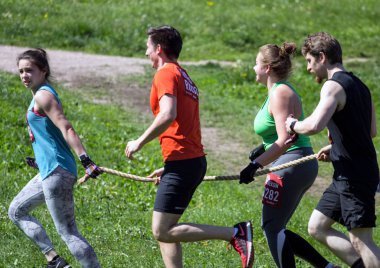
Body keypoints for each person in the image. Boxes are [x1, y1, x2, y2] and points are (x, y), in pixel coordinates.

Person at [125, 25, 253, 268]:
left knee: (162, 231)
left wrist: (139, 142)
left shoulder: (165, 73)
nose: (145, 53)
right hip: (186, 161)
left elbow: (168, 115)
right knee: (168, 229)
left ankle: (236, 233)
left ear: (159, 49)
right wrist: (170, 167)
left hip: (185, 162)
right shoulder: (184, 76)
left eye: (148, 48)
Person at [285, 32, 380, 268]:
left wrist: (293, 124)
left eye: (309, 61)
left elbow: (315, 125)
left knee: (361, 239)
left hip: (354, 174)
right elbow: (371, 132)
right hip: (347, 172)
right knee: (317, 226)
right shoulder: (360, 85)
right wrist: (335, 146)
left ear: (322, 57)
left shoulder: (333, 86)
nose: (308, 68)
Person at [239, 42, 338, 268]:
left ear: (267, 68)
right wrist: (262, 149)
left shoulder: (280, 92)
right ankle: (327, 267)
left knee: (271, 227)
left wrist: (255, 165)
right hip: (293, 163)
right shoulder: (277, 91)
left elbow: (286, 140)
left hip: (293, 163)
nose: (253, 68)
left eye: (256, 63)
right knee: (277, 227)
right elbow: (278, 136)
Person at [8, 48, 102, 268]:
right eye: (21, 71)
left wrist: (86, 160)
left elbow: (66, 127)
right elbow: (49, 137)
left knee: (68, 232)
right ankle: (55, 261)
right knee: (16, 210)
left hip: (57, 170)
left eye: (29, 70)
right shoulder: (38, 96)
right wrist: (41, 161)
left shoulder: (43, 95)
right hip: (49, 169)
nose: (24, 75)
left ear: (44, 71)